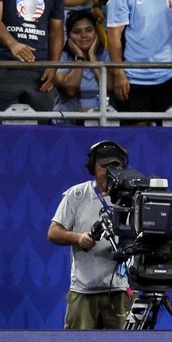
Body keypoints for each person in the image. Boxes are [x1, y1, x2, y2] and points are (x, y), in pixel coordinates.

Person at [48, 140, 132, 329]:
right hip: (84, 290)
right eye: (104, 167)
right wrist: (78, 238)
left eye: (116, 166)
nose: (110, 172)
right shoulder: (76, 194)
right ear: (93, 168)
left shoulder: (133, 196)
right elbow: (53, 232)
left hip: (121, 289)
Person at [53, 8, 109, 117]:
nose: (84, 35)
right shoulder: (61, 57)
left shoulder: (105, 55)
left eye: (89, 30)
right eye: (77, 32)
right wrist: (80, 58)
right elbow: (70, 90)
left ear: (96, 32)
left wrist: (92, 57)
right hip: (68, 120)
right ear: (69, 36)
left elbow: (109, 87)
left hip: (100, 119)